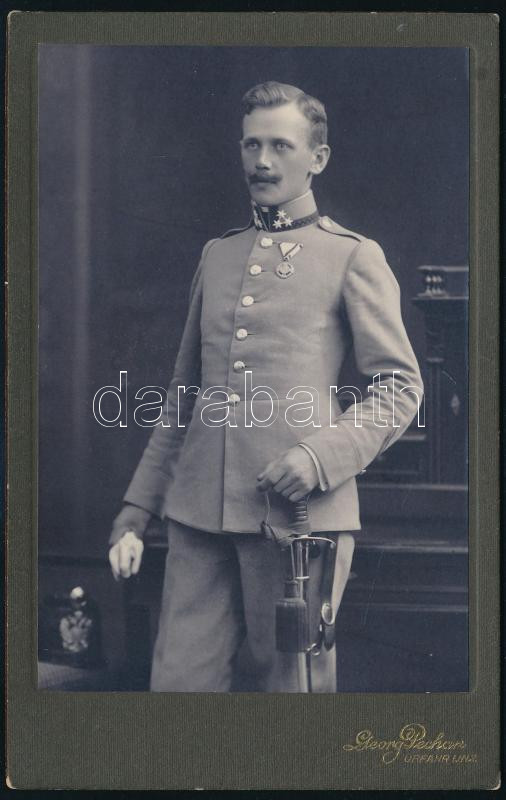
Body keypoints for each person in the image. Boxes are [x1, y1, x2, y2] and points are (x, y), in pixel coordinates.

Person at [108, 81, 423, 692]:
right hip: (198, 514)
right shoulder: (218, 256)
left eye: (281, 145)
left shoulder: (351, 256)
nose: (262, 160)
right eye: (252, 144)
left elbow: (400, 387)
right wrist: (137, 509)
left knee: (288, 702)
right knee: (178, 690)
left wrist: (318, 458)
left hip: (295, 521)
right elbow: (183, 396)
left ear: (318, 158)